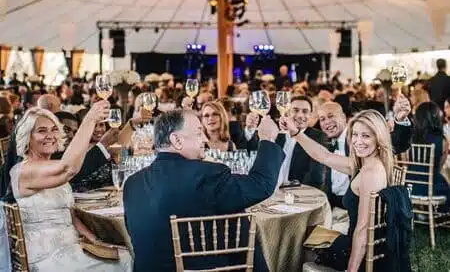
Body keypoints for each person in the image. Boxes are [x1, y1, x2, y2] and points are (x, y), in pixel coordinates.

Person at [123, 109, 284, 272]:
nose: (204, 139)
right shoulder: (207, 175)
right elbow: (260, 185)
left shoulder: (132, 184)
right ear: (177, 140)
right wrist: (267, 139)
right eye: (199, 133)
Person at [9, 102, 132, 271]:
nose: (50, 135)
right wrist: (90, 119)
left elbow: (70, 215)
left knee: (127, 254)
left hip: (72, 247)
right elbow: (69, 168)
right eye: (41, 131)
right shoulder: (24, 171)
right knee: (129, 260)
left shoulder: (51, 165)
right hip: (46, 258)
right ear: (26, 137)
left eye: (54, 130)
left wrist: (96, 242)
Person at [281, 110, 394, 272]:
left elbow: (363, 231)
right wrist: (296, 133)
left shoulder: (371, 173)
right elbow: (324, 156)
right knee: (309, 232)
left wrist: (351, 269)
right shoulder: (368, 164)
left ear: (379, 138)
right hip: (356, 243)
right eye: (355, 134)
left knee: (299, 235)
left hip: (357, 252)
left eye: (366, 136)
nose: (358, 141)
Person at [276, 96, 327, 189]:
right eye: (295, 110)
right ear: (287, 112)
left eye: (305, 111)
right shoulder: (277, 134)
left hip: (299, 193)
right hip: (272, 190)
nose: (300, 115)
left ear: (311, 115)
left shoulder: (318, 137)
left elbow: (316, 176)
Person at [411, 102, 450, 209]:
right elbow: (439, 166)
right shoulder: (443, 140)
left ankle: (418, 211)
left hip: (409, 185)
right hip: (432, 186)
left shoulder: (409, 138)